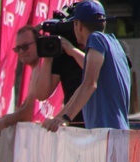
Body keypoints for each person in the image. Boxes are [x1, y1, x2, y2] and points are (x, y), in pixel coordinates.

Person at [42, 0, 131, 131]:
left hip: (106, 134)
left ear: (78, 25)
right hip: (118, 133)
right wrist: (59, 118)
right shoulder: (115, 44)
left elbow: (89, 84)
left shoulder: (96, 39)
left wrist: (66, 119)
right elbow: (83, 87)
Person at [0, 26, 41, 135]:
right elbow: (25, 107)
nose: (21, 51)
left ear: (39, 43)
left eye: (25, 46)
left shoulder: (42, 67)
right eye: (18, 49)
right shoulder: (36, 69)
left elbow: (28, 112)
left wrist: (3, 122)